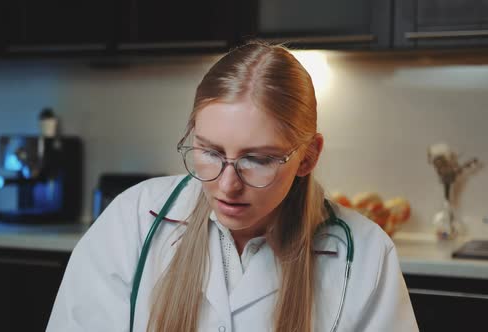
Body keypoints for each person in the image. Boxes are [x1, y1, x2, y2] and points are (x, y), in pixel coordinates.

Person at [46, 42, 418, 332]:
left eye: (257, 159)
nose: (227, 185)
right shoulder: (133, 221)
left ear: (307, 157)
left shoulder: (367, 256)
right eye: (209, 151)